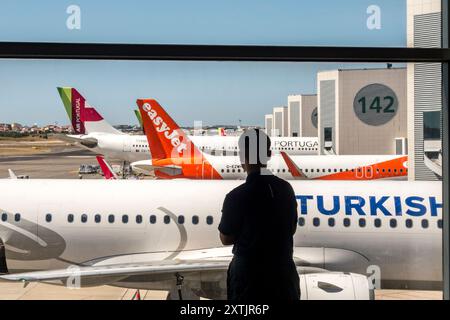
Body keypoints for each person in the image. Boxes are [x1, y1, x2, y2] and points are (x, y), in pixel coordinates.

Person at [218, 129, 300, 300]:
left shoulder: (236, 196)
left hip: (249, 279)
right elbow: (291, 229)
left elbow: (225, 238)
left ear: (242, 157)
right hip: (282, 275)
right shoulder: (286, 189)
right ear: (269, 155)